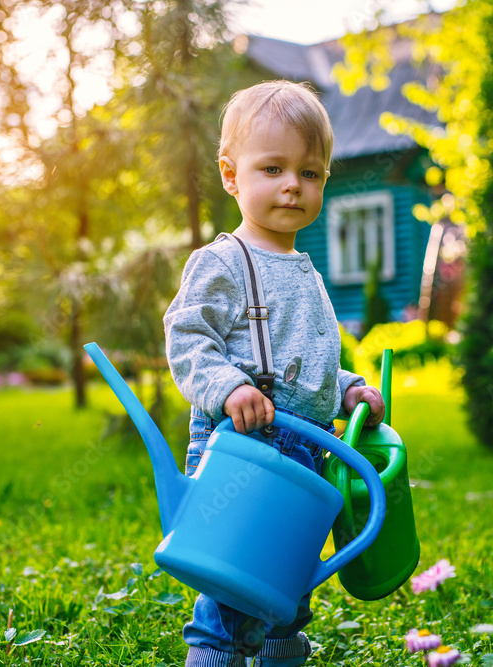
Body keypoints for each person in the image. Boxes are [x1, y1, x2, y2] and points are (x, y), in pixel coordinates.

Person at [163, 80, 386, 667]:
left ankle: (282, 647)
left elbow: (309, 362)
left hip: (306, 451)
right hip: (242, 450)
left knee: (289, 571)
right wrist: (230, 386)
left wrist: (346, 388)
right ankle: (214, 654)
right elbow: (188, 338)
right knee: (237, 577)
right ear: (231, 175)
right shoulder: (221, 262)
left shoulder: (307, 271)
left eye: (310, 173)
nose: (293, 184)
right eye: (272, 168)